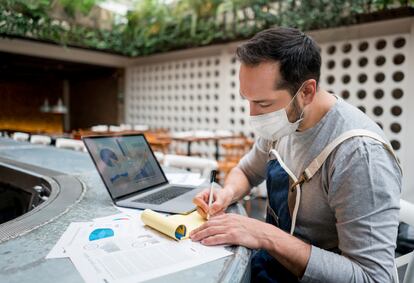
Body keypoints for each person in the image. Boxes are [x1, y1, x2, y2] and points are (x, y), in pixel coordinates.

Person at [190, 27, 402, 282]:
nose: (253, 115)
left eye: (263, 103)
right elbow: (247, 171)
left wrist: (266, 235)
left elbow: (374, 277)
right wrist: (226, 194)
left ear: (306, 92)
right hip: (273, 266)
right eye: (247, 100)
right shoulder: (284, 122)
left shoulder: (359, 156)